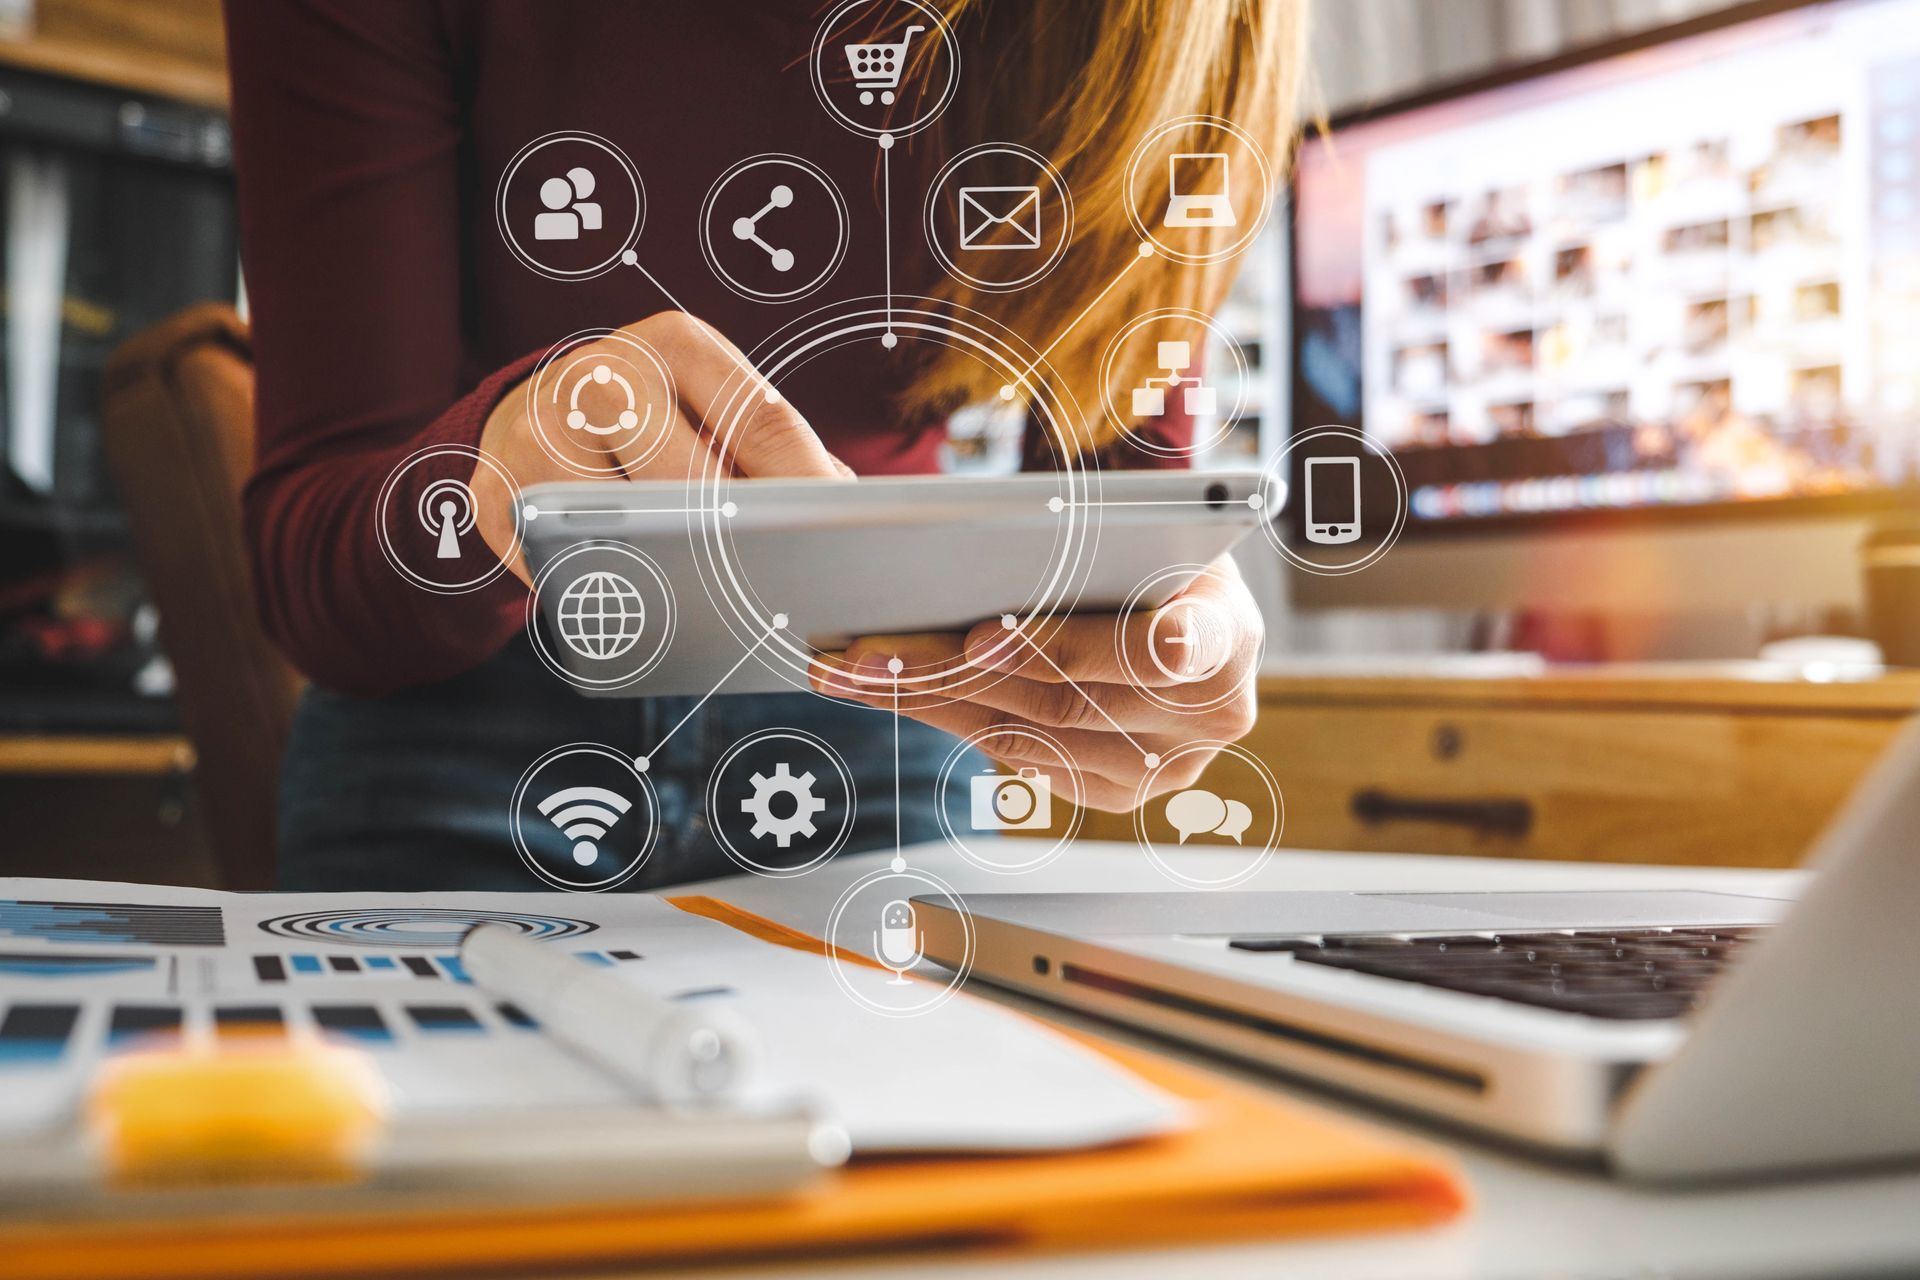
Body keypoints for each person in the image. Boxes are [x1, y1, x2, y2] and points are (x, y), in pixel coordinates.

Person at [224, 0, 1308, 891]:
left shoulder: (1172, 24)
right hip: (453, 726)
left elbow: (1123, 483)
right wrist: (493, 470)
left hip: (885, 714)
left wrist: (1159, 635)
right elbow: (311, 573)